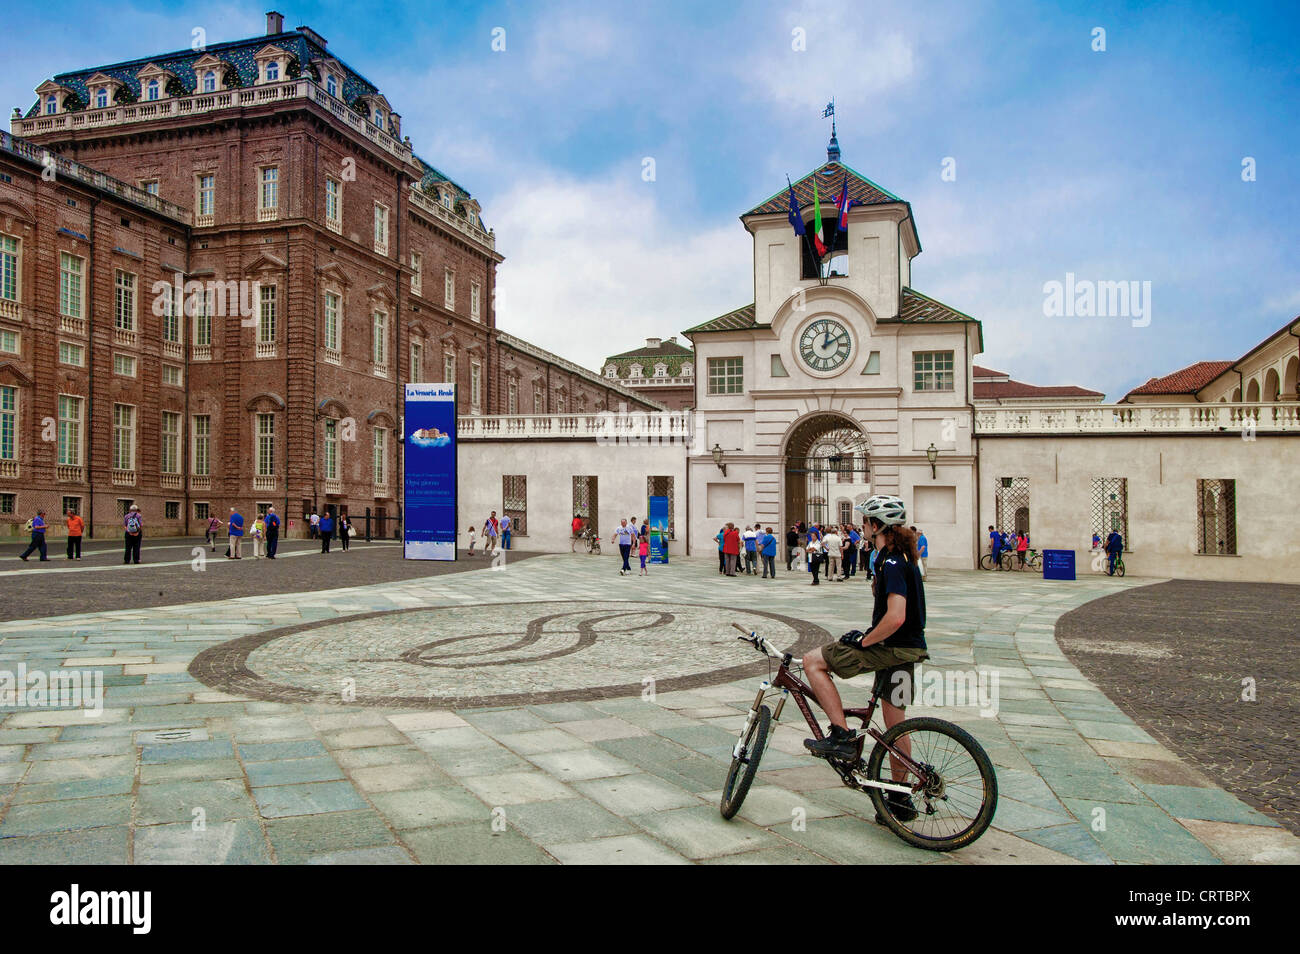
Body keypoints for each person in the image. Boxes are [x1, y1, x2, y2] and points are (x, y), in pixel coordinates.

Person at [803, 495, 929, 821]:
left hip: (891, 647)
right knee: (896, 727)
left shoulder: (891, 562)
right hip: (910, 649)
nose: (862, 527)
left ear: (875, 526)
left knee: (812, 662)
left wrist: (864, 640)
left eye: (865, 522)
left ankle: (842, 736)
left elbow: (896, 616)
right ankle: (900, 799)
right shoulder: (901, 558)